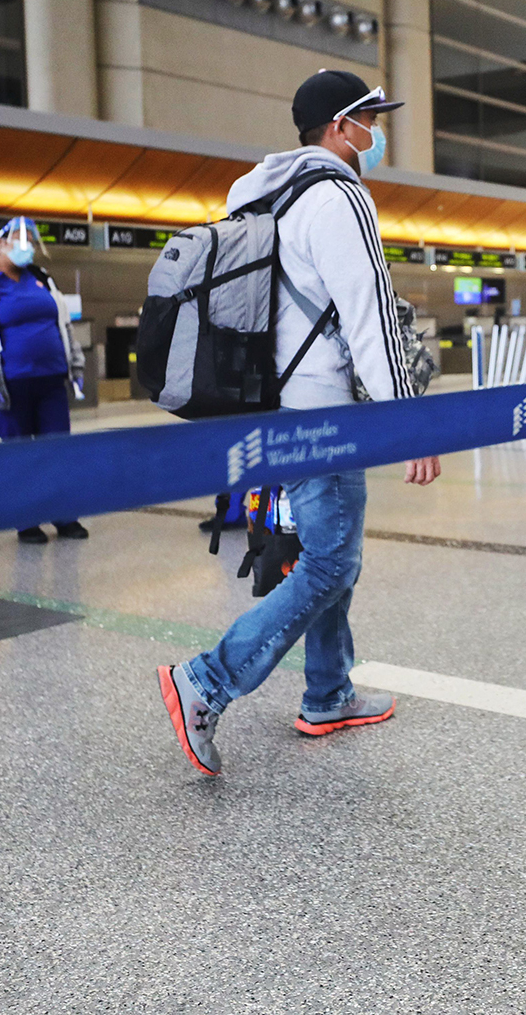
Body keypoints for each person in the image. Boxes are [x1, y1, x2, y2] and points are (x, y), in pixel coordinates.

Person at [157, 70, 441, 777]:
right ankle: (208, 681)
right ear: (341, 126)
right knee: (330, 559)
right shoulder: (338, 197)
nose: (377, 133)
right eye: (370, 119)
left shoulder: (263, 193)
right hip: (322, 410)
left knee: (325, 548)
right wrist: (412, 422)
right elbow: (369, 313)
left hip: (270, 402)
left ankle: (328, 693)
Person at [0, 216, 90, 544]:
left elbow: (64, 324)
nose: (27, 245)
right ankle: (25, 520)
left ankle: (64, 515)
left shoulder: (42, 278)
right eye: (19, 238)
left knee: (56, 450)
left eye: (30, 238)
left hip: (50, 381)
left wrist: (75, 365)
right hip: (10, 386)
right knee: (19, 454)